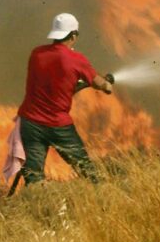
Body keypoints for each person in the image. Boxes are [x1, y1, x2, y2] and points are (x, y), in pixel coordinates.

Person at [15, 13, 113, 185]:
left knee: (33, 176)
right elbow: (101, 85)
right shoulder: (77, 60)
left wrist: (80, 83)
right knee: (88, 171)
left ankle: (44, 205)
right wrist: (107, 84)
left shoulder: (36, 54)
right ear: (73, 35)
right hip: (58, 126)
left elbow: (55, 85)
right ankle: (102, 197)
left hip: (30, 124)